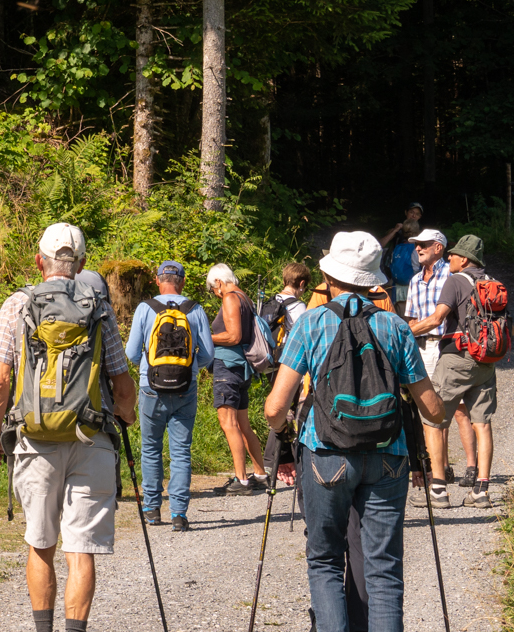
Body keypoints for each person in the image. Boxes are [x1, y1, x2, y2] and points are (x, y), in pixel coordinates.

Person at [265, 231, 446, 632]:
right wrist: (443, 419)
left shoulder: (311, 323)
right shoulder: (396, 327)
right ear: (374, 281)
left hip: (325, 452)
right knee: (383, 568)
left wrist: (283, 435)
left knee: (325, 559)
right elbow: (432, 407)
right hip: (388, 455)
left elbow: (275, 406)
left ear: (329, 278)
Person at [0, 223, 136, 632]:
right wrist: (127, 415)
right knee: (80, 549)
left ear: (38, 261)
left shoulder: (18, 304)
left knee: (41, 542)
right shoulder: (99, 307)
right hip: (93, 439)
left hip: (34, 440)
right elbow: (122, 384)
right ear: (81, 263)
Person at [124, 261, 214, 531]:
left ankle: (152, 510)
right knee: (181, 452)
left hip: (151, 387)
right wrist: (189, 369)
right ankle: (179, 514)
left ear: (157, 280)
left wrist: (148, 369)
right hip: (186, 387)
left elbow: (130, 352)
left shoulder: (145, 308)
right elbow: (208, 354)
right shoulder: (195, 309)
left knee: (151, 449)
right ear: (183, 281)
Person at [423, 233, 498, 508]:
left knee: (433, 418)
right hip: (486, 361)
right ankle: (482, 490)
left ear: (464, 259)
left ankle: (439, 490)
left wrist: (405, 330)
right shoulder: (491, 283)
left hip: (456, 358)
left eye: (453, 254)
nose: (450, 257)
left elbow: (436, 318)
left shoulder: (455, 281)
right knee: (482, 423)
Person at [402, 228, 453, 506]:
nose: (417, 249)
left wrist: (403, 332)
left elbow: (435, 320)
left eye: (422, 244)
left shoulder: (451, 276)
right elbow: (410, 318)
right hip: (419, 346)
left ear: (438, 247)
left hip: (441, 345)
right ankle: (438, 471)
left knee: (434, 412)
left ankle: (439, 481)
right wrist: (407, 333)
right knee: (423, 410)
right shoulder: (413, 281)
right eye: (416, 245)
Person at [206, 263, 265, 496]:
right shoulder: (245, 297)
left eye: (213, 289)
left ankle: (241, 480)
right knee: (242, 424)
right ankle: (259, 474)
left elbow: (234, 335)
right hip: (242, 368)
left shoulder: (230, 297)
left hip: (228, 367)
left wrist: (204, 337)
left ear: (218, 283)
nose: (215, 294)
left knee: (228, 423)